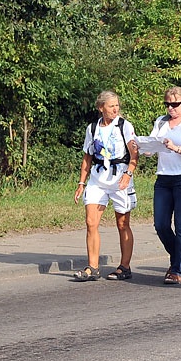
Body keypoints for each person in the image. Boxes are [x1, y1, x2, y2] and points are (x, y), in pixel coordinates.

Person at [73, 90, 139, 281]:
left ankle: (124, 267)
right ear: (101, 107)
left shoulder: (125, 126)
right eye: (111, 106)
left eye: (117, 105)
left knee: (122, 223)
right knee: (91, 222)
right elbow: (87, 156)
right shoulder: (92, 128)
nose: (115, 109)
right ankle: (92, 267)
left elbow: (134, 154)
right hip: (98, 178)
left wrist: (128, 174)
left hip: (120, 177)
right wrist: (81, 183)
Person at [149, 87, 181, 285]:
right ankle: (178, 256)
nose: (171, 108)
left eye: (175, 104)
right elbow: (154, 143)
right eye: (168, 104)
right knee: (160, 224)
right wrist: (144, 146)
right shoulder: (161, 121)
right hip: (164, 178)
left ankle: (178, 269)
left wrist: (174, 147)